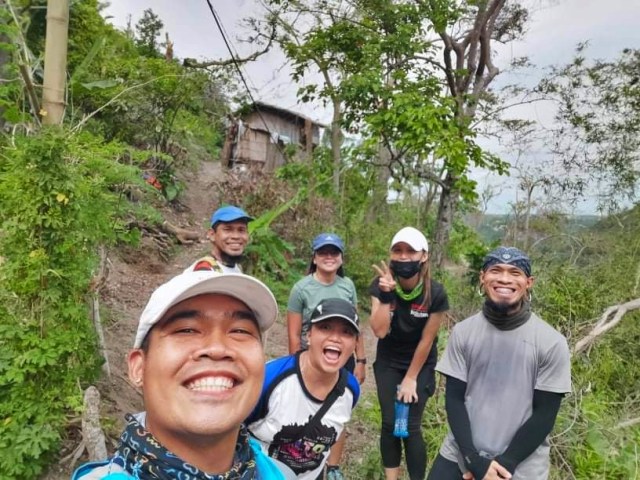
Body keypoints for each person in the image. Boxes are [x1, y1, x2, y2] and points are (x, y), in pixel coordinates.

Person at [72, 267, 294, 479]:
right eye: (186, 330)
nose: (217, 348)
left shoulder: (282, 474)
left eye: (240, 331)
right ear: (138, 367)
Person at [427, 246, 572, 480]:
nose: (504, 279)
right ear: (482, 278)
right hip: (461, 453)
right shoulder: (463, 332)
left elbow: (544, 414)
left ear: (529, 282)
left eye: (515, 273)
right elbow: (454, 399)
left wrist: (505, 464)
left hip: (520, 465)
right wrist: (474, 461)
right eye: (496, 270)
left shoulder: (551, 342)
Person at [247, 298, 361, 480]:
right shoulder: (271, 378)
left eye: (346, 332)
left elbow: (338, 428)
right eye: (325, 328)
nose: (335, 338)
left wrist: (333, 467)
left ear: (355, 344)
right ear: (309, 335)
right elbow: (231, 431)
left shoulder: (350, 389)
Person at [369, 226, 449, 480]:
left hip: (420, 363)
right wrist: (385, 296)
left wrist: (411, 378)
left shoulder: (435, 293)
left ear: (423, 256)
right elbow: (379, 331)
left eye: (410, 251)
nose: (403, 256)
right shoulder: (380, 285)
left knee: (411, 427)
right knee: (389, 423)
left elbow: (427, 339)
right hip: (388, 361)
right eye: (398, 250)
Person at [286, 233, 366, 479]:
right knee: (305, 410)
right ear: (314, 258)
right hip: (309, 359)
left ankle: (333, 466)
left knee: (338, 412)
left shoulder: (347, 285)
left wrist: (361, 360)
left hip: (342, 359)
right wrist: (294, 368)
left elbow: (356, 326)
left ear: (341, 258)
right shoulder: (301, 288)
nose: (329, 257)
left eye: (334, 253)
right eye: (323, 252)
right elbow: (294, 333)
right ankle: (300, 461)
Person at [187, 205, 253, 273]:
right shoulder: (205, 269)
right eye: (227, 229)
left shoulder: (236, 267)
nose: (236, 236)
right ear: (212, 235)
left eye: (241, 230)